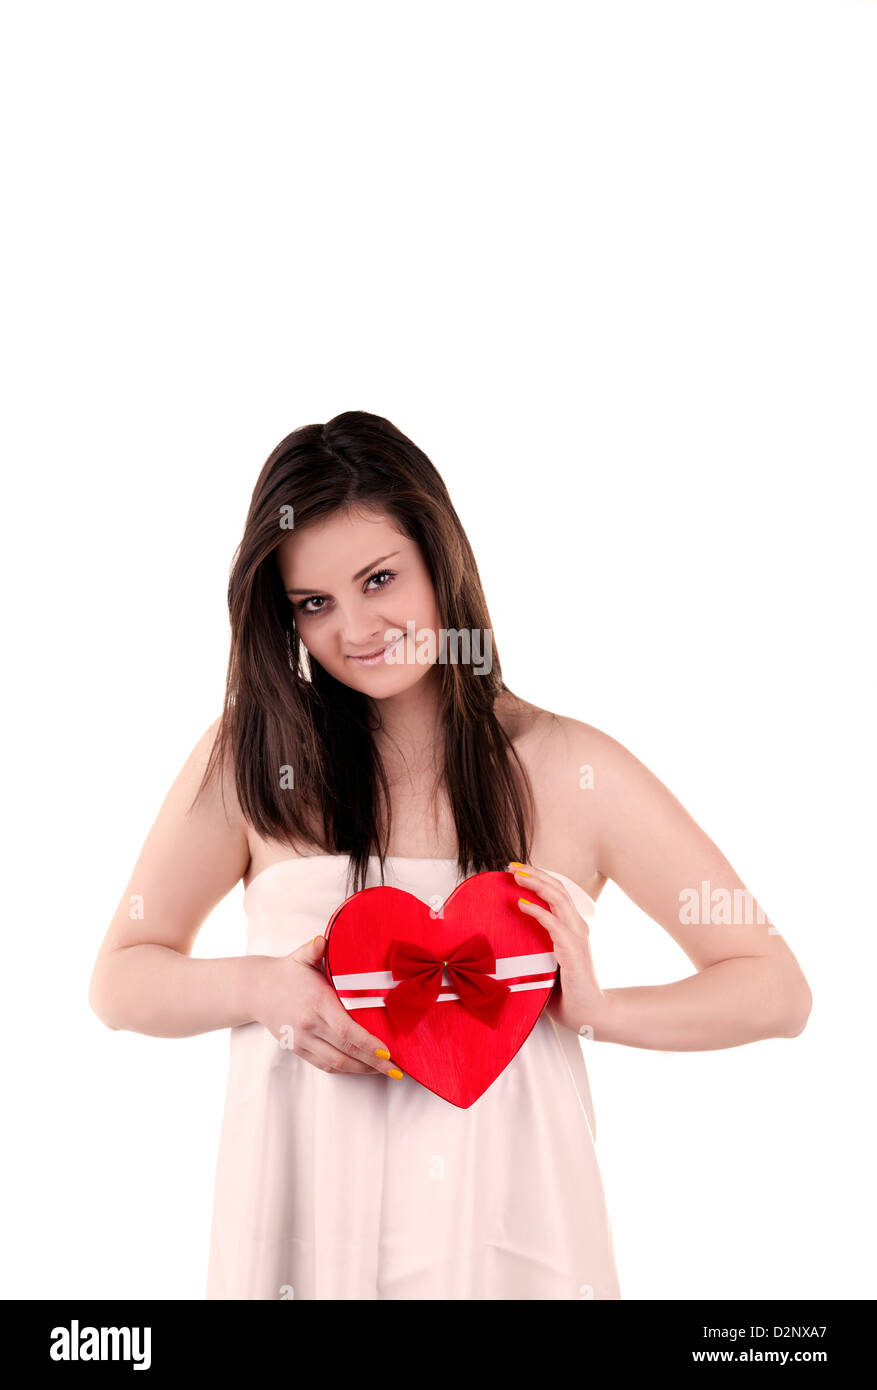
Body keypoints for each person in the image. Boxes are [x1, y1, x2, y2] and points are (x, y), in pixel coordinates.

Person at [88, 410, 812, 1300]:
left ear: (441, 558)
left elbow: (775, 990)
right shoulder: (251, 755)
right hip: (303, 1230)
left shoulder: (570, 767)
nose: (357, 628)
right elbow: (120, 979)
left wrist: (598, 1010)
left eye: (379, 579)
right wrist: (261, 988)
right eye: (314, 603)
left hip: (513, 1240)